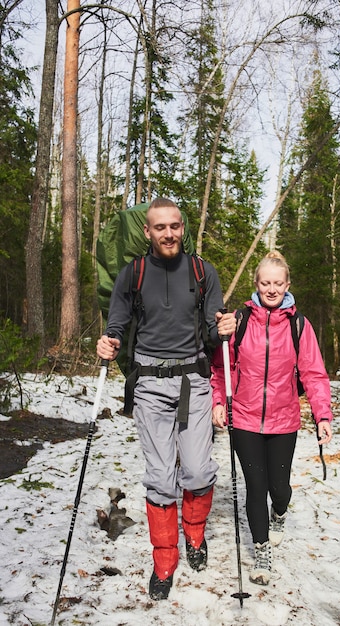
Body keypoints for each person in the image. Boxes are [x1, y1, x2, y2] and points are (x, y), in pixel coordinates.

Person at [96, 198, 236, 601]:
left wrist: (225, 326)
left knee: (196, 471)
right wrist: (111, 341)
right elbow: (118, 320)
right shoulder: (133, 273)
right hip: (150, 385)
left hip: (193, 382)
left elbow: (214, 328)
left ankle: (194, 536)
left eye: (175, 226)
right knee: (160, 477)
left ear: (183, 227)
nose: (169, 234)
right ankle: (164, 560)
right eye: (161, 227)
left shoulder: (202, 270)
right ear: (148, 232)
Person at [210, 251, 333, 586]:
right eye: (266, 282)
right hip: (244, 419)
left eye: (278, 283)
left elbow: (315, 374)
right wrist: (219, 401)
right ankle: (261, 550)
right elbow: (221, 367)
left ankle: (280, 511)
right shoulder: (240, 320)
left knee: (279, 489)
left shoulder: (298, 325)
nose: (272, 288)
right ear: (256, 284)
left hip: (284, 420)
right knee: (256, 486)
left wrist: (323, 414)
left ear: (288, 285)